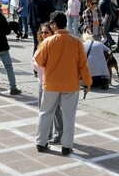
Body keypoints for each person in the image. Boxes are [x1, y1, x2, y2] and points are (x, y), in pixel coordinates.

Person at [34, 11, 92, 156]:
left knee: (45, 113)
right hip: (70, 84)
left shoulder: (48, 42)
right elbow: (83, 65)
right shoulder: (76, 41)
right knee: (69, 115)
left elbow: (39, 61)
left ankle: (41, 142)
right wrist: (87, 82)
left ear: (54, 25)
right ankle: (66, 146)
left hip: (51, 83)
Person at [32, 23, 63, 144]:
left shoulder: (54, 46)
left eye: (46, 32)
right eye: (42, 32)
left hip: (53, 82)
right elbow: (35, 63)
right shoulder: (40, 45)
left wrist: (41, 66)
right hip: (42, 81)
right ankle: (47, 133)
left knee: (56, 109)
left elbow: (41, 65)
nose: (44, 35)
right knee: (43, 109)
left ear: (52, 33)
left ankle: (60, 133)